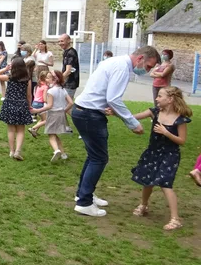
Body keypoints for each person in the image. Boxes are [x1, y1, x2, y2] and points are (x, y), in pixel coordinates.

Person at [71, 46, 159, 217]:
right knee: (99, 158)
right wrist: (132, 122)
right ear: (140, 58)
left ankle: (83, 194)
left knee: (93, 156)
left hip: (84, 110)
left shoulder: (115, 62)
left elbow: (103, 91)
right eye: (148, 66)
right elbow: (113, 98)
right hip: (89, 114)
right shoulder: (122, 67)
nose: (147, 71)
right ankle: (84, 202)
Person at [130, 86, 192, 230]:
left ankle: (175, 219)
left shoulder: (180, 119)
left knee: (165, 183)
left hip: (170, 155)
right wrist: (116, 112)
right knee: (148, 181)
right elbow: (134, 116)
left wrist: (166, 133)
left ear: (170, 99)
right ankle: (144, 205)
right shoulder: (155, 112)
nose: (157, 99)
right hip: (153, 152)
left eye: (160, 96)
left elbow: (182, 141)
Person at [0, 57, 32, 160]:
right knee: (20, 129)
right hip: (21, 104)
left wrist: (5, 69)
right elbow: (29, 95)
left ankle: (11, 151)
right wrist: (29, 105)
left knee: (11, 129)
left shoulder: (9, 77)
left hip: (9, 103)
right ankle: (18, 151)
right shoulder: (27, 79)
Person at [30, 70, 73, 163]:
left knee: (51, 135)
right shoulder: (63, 89)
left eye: (49, 77)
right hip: (61, 115)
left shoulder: (51, 91)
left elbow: (49, 105)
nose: (47, 79)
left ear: (54, 80)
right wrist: (64, 110)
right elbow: (71, 102)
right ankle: (63, 154)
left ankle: (56, 150)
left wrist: (37, 110)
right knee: (55, 135)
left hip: (53, 114)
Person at [28, 71, 50, 137]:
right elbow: (44, 99)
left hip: (35, 103)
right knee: (46, 120)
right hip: (40, 104)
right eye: (48, 77)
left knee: (42, 119)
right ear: (45, 78)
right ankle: (33, 128)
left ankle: (34, 132)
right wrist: (49, 102)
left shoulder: (39, 85)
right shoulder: (45, 87)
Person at [58, 34, 80, 99]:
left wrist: (58, 80)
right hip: (66, 82)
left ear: (69, 41)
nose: (60, 43)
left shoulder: (71, 52)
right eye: (59, 41)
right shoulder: (66, 52)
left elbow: (68, 71)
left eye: (62, 41)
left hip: (70, 83)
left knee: (67, 104)